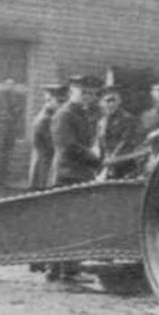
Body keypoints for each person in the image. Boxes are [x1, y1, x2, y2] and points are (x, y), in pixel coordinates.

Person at [46, 74, 103, 281]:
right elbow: (68, 146)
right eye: (83, 92)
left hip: (77, 173)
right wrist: (95, 158)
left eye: (90, 93)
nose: (87, 96)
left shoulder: (81, 114)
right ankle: (67, 270)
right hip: (67, 174)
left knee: (67, 223)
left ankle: (58, 269)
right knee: (70, 223)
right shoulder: (65, 114)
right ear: (72, 92)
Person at [96, 85, 143, 177]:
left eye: (114, 100)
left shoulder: (128, 120)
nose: (111, 104)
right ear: (100, 103)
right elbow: (101, 147)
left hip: (125, 168)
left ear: (120, 101)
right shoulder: (101, 122)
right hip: (107, 168)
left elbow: (126, 144)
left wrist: (110, 161)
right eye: (107, 101)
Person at [27, 83, 67, 191]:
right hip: (45, 166)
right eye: (59, 101)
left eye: (64, 102)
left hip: (45, 163)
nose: (63, 105)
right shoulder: (46, 119)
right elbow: (54, 145)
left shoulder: (51, 117)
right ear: (48, 100)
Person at [0, 78, 21, 186]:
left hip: (10, 130)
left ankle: (3, 178)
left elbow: (18, 113)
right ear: (4, 85)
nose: (10, 87)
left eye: (12, 85)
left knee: (7, 153)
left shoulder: (15, 98)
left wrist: (16, 114)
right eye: (8, 85)